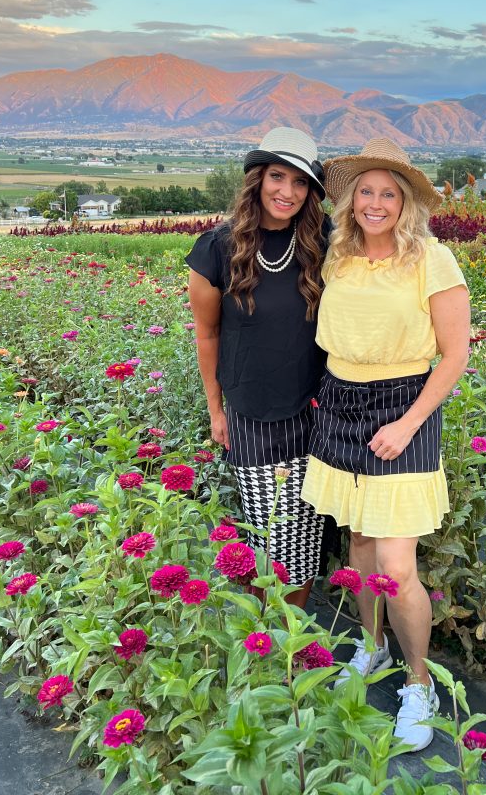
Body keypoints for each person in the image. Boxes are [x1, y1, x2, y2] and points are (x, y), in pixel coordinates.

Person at [301, 137, 470, 751]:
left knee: (398, 569)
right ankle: (370, 648)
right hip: (340, 402)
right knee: (360, 548)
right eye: (366, 191)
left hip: (404, 407)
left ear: (406, 205)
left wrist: (410, 423)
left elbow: (454, 356)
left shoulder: (432, 259)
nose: (375, 203)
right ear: (351, 201)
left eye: (388, 194)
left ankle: (418, 683)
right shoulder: (338, 256)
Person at [186, 127, 329, 609]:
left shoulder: (324, 240)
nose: (286, 192)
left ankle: (293, 645)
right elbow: (207, 334)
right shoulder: (217, 248)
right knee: (268, 538)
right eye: (277, 176)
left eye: (300, 182)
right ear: (257, 179)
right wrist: (216, 410)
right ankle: (265, 642)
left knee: (306, 540)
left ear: (311, 191)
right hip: (251, 411)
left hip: (316, 409)